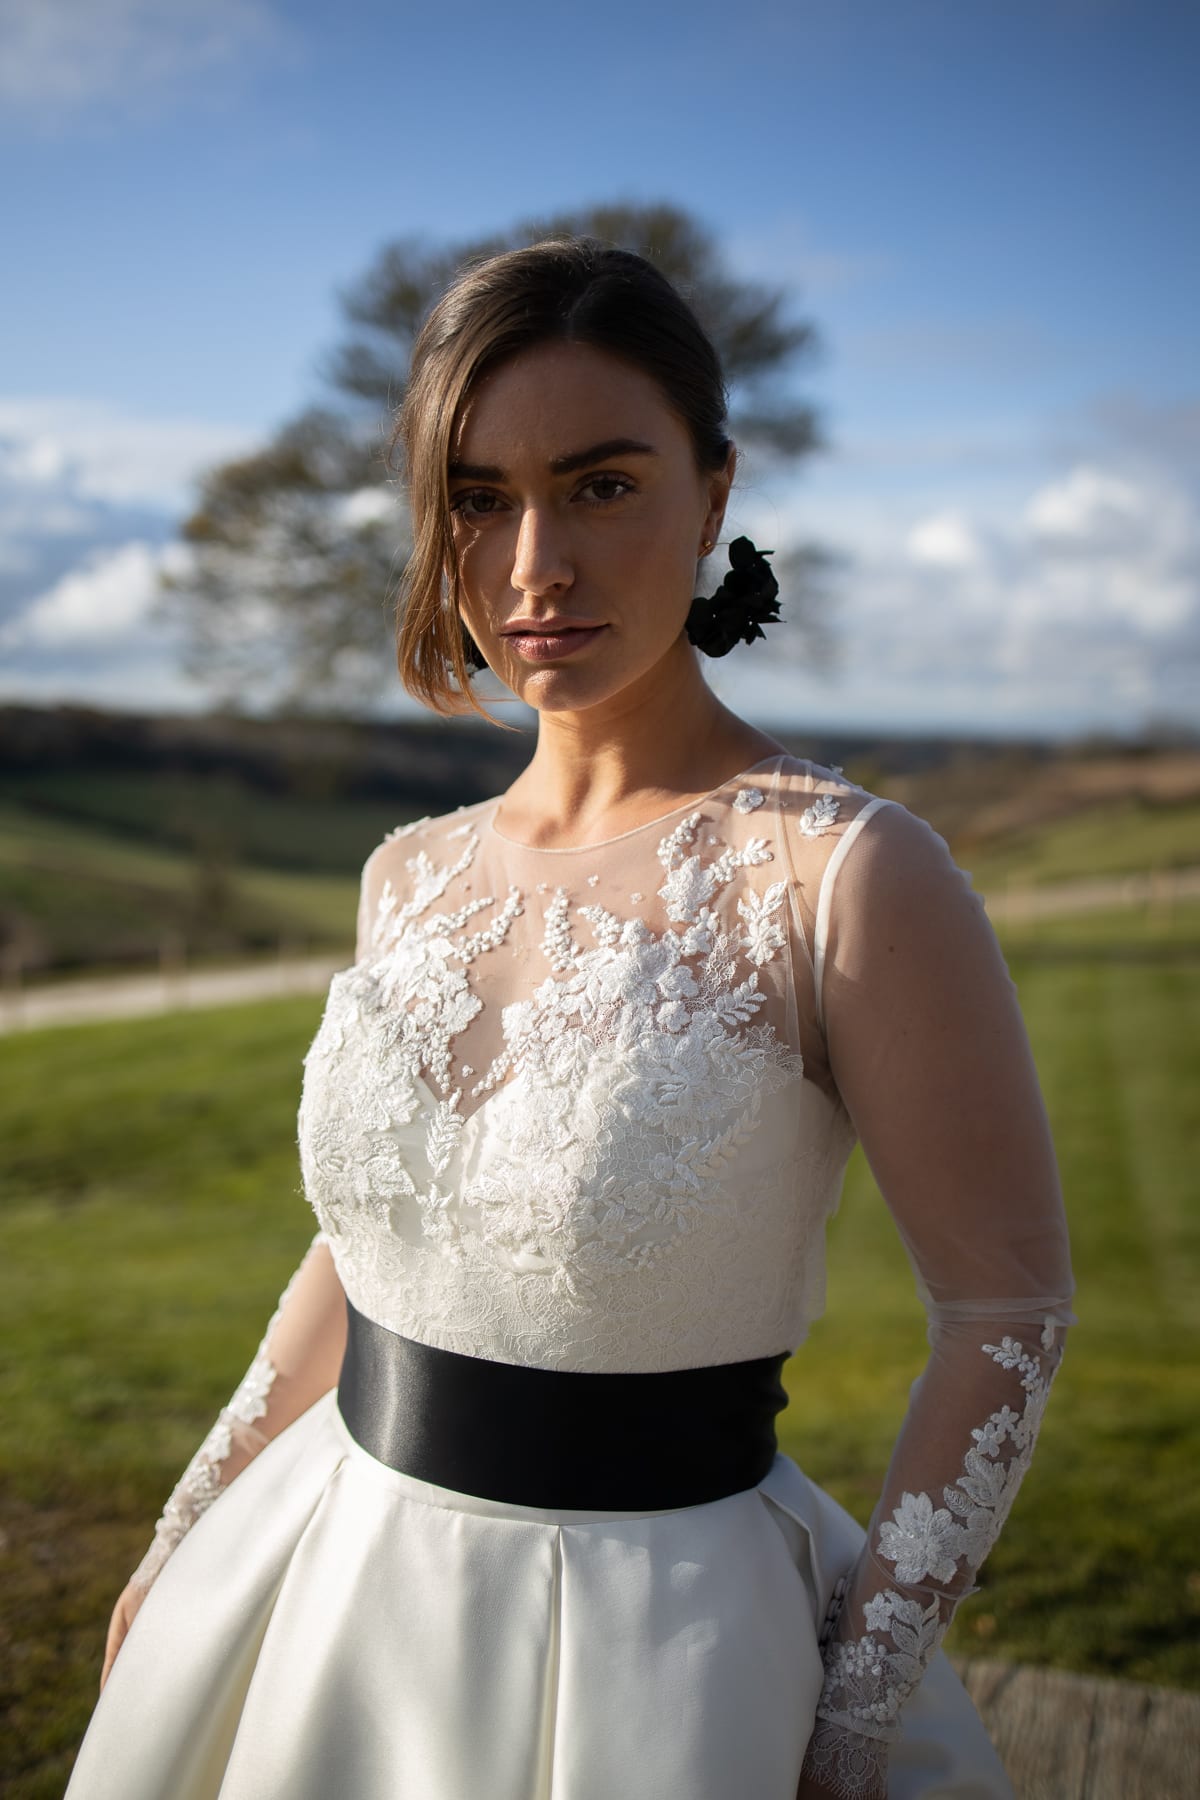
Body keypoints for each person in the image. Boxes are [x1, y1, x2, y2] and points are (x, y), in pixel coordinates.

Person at [67, 238, 1075, 1800]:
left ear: (715, 493)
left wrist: (859, 1705)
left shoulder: (843, 872)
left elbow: (1009, 1315)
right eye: (478, 496)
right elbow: (373, 1244)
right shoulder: (409, 873)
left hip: (654, 1648)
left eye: (602, 485)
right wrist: (190, 1530)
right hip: (320, 1585)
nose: (534, 562)